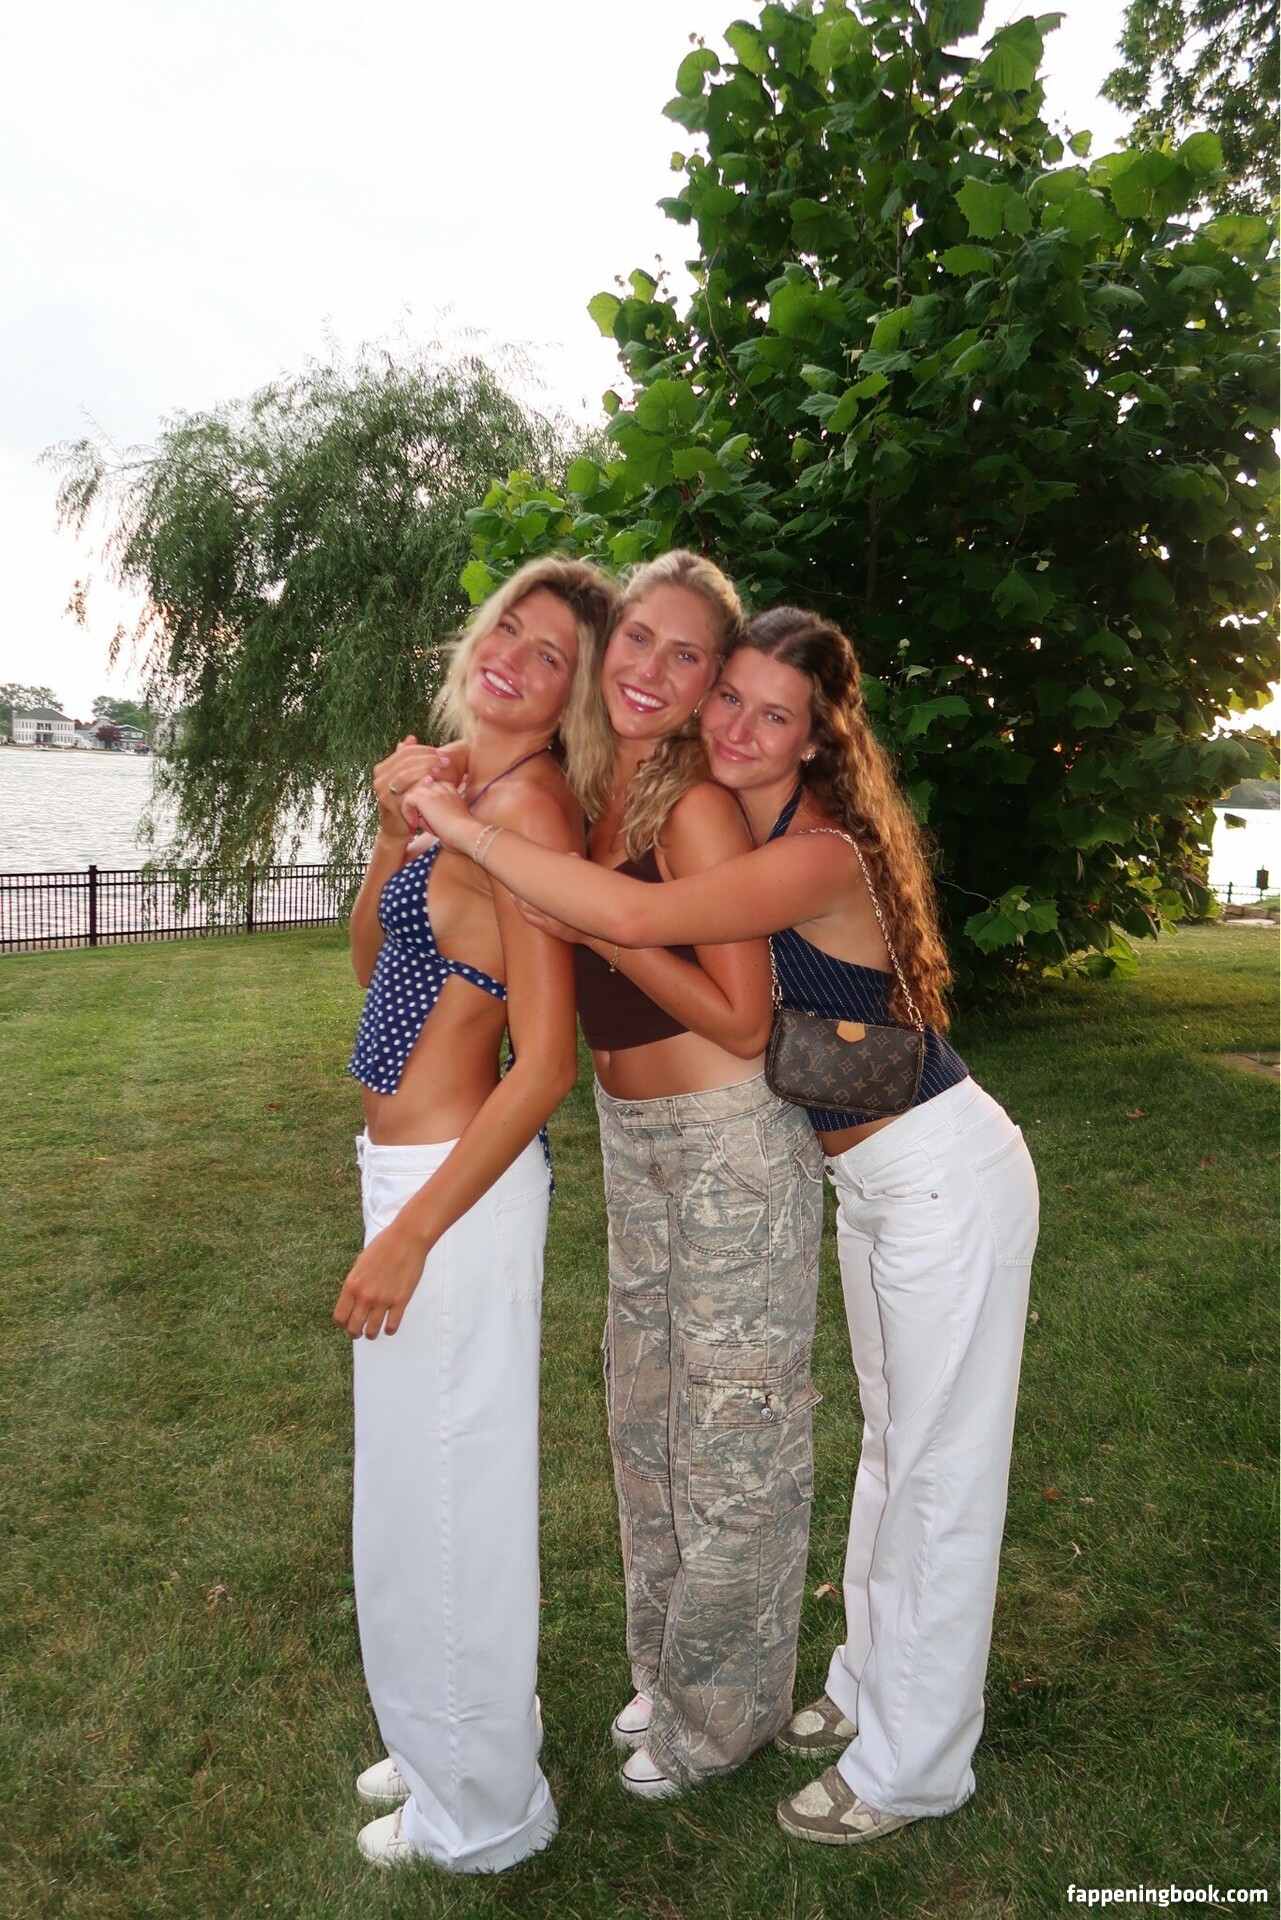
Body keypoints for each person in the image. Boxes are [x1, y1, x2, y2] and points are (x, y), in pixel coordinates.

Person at [402, 602, 1040, 1847]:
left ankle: (916, 1764)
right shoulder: (751, 825)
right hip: (878, 1186)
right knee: (893, 1454)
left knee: (941, 1474)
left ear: (818, 738)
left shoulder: (820, 852)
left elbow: (643, 925)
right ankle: (860, 1686)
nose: (742, 727)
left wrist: (468, 828)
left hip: (944, 1175)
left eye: (774, 714)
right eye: (731, 698)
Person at [412, 550, 825, 1801]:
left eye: (686, 656)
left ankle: (725, 1715)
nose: (649, 669)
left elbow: (743, 1017)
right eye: (637, 638)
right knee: (645, 1419)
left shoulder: (690, 807)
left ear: (710, 682)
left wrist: (599, 924)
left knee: (733, 1431)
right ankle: (666, 1669)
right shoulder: (597, 792)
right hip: (634, 1138)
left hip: (729, 1139)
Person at [334, 554, 616, 1873]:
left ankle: (486, 1814)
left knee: (446, 1503)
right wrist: (398, 824)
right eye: (510, 626)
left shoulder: (530, 817)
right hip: (410, 1174)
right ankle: (448, 1732)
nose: (514, 655)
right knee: (412, 1494)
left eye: (552, 654)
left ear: (571, 700)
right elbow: (377, 963)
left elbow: (545, 1061)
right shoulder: (462, 790)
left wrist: (412, 1233)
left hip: (456, 1195)